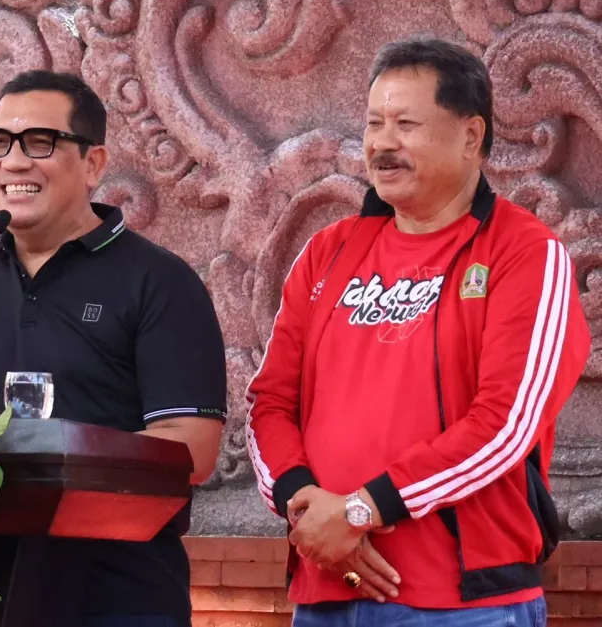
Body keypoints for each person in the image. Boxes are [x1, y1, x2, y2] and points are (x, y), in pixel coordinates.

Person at [245, 37, 591, 627]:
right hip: (326, 592)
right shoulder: (328, 252)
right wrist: (307, 510)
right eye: (373, 123)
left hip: (464, 604)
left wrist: (362, 510)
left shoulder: (524, 252)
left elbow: (504, 425)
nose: (382, 143)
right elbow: (269, 403)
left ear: (471, 136)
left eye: (405, 124)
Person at [0, 70, 227, 627]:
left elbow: (192, 451)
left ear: (93, 163)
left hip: (116, 599)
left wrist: (56, 456)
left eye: (39, 142)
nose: (13, 162)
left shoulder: (159, 283)